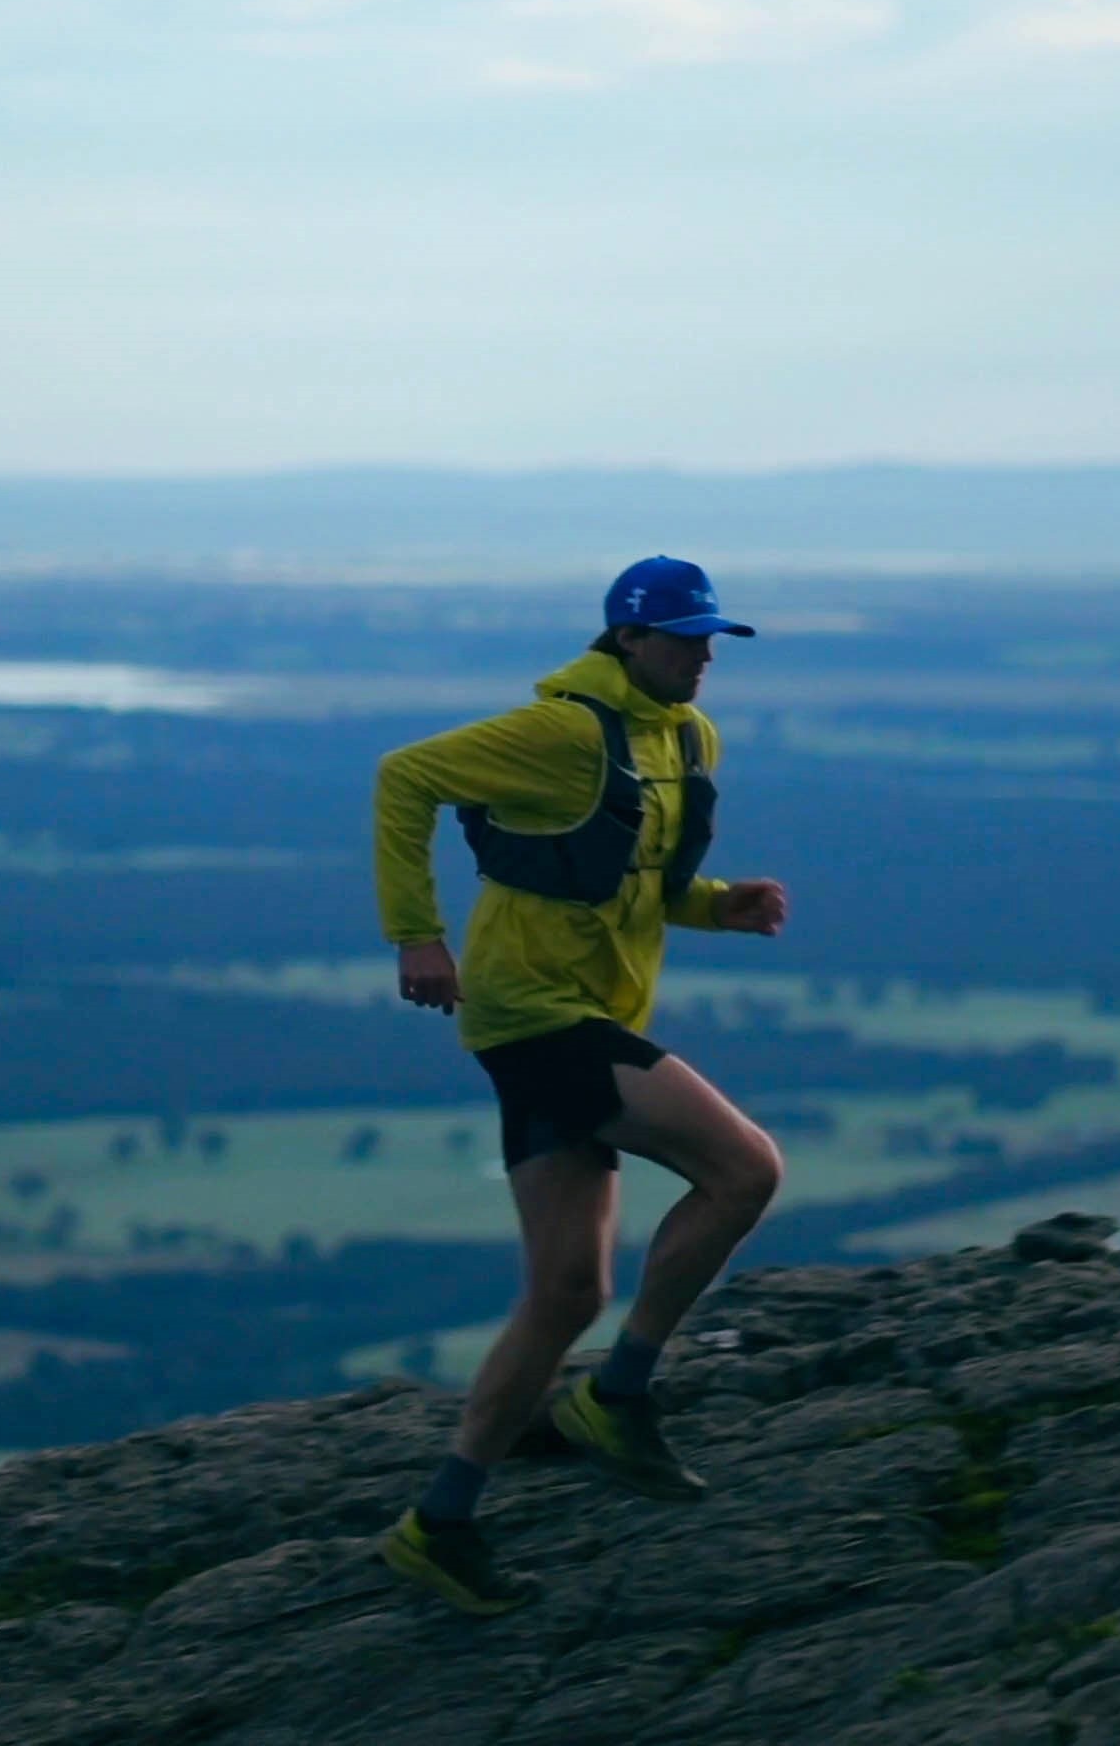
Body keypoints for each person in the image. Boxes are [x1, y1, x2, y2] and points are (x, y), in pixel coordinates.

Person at [366, 557, 792, 1615]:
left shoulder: (686, 739)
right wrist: (417, 936)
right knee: (744, 1169)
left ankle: (442, 1523)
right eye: (685, 637)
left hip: (581, 1015)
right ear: (627, 641)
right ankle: (621, 1396)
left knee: (567, 1290)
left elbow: (626, 874)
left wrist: (715, 906)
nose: (702, 655)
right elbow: (404, 776)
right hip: (535, 1014)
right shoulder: (561, 732)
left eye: (711, 638)